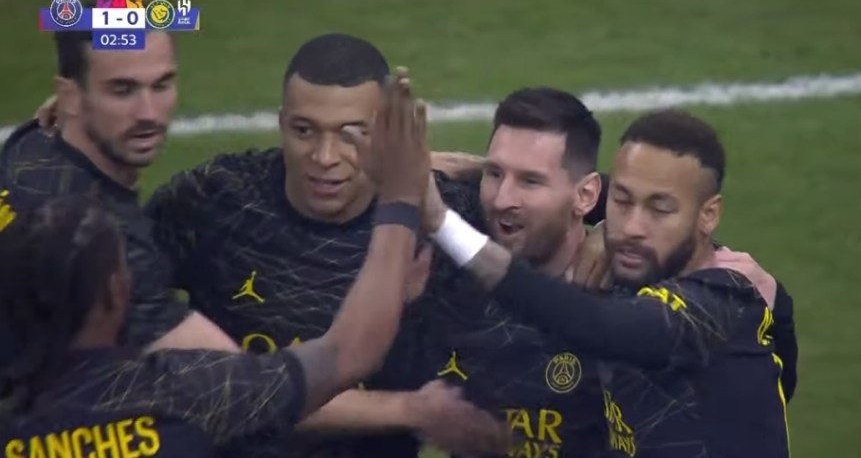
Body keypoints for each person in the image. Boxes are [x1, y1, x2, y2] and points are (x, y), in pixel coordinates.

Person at [13, 29, 505, 456]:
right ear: (282, 124)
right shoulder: (210, 200)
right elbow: (246, 387)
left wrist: (488, 172)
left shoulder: (29, 153)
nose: (326, 157)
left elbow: (548, 230)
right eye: (305, 131)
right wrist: (410, 409)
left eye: (353, 134)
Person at [420, 109, 794, 458]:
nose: (632, 227)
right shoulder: (642, 270)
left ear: (708, 215)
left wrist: (442, 224)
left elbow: (601, 327)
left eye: (659, 209)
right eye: (622, 202)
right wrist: (480, 170)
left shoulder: (717, 303)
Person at [0, 26, 236, 352]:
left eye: (161, 85)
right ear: (70, 96)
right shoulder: (102, 246)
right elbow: (233, 374)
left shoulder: (31, 144)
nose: (148, 114)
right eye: (122, 90)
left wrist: (90, 102)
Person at [427, 87, 610, 458]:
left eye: (530, 181)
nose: (502, 200)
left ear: (585, 196)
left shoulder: (623, 291)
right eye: (495, 173)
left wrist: (617, 227)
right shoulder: (452, 246)